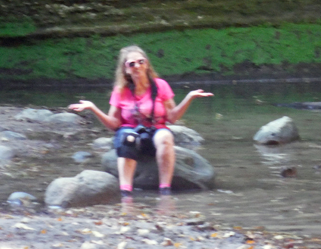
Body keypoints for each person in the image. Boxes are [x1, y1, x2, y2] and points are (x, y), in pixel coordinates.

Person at [68, 45, 213, 197]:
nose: (137, 66)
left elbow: (172, 117)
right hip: (131, 132)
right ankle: (126, 191)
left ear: (147, 64)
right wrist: (93, 108)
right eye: (131, 64)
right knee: (128, 138)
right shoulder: (121, 90)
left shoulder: (160, 85)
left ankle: (165, 189)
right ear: (126, 69)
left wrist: (189, 97)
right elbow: (114, 124)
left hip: (155, 131)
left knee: (165, 136)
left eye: (141, 61)